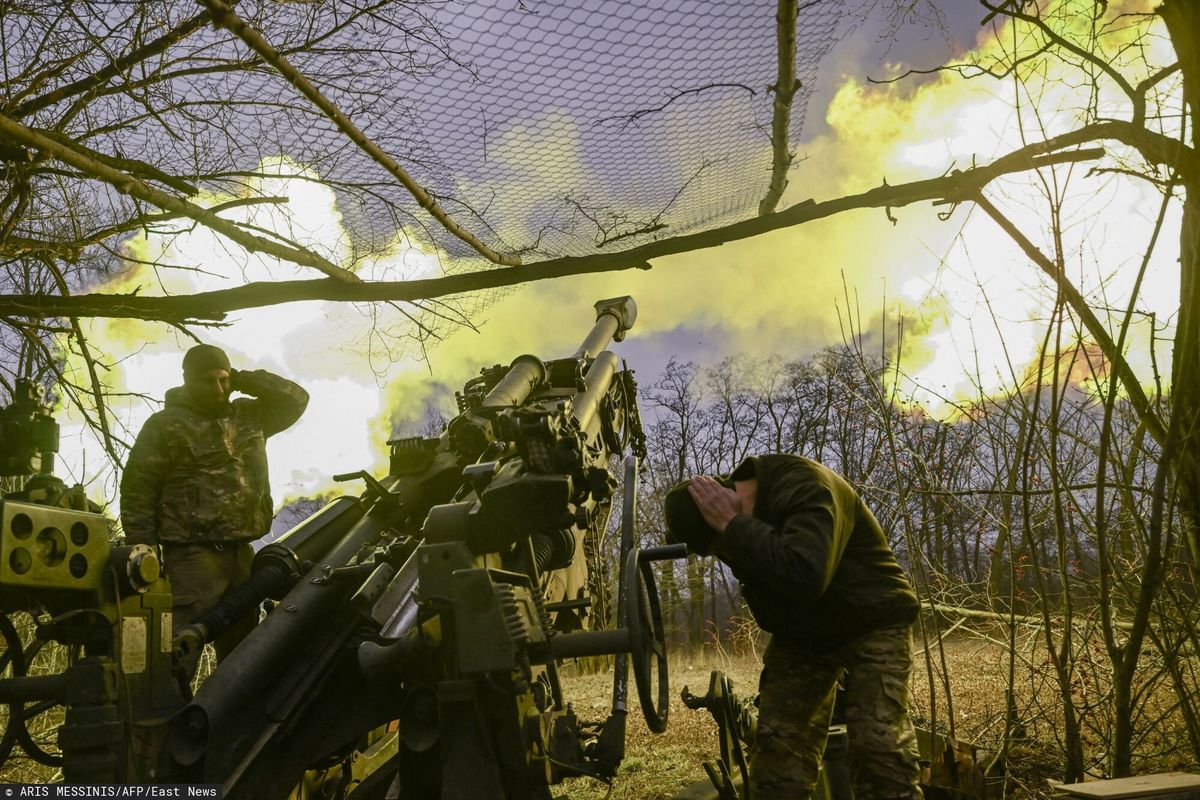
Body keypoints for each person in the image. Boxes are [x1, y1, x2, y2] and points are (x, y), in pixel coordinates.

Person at [665, 453, 923, 800]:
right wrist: (738, 539)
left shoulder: (804, 486)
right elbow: (771, 615)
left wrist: (735, 528)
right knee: (777, 753)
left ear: (728, 506)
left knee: (877, 749)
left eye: (719, 545)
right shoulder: (739, 528)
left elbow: (806, 575)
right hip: (805, 633)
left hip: (872, 616)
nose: (724, 553)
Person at [120, 343, 309, 663]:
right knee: (173, 656)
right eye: (208, 380)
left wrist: (245, 380)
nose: (218, 388)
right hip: (192, 559)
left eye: (224, 380)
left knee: (240, 665)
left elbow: (296, 399)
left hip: (241, 557)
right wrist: (145, 557)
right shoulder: (165, 425)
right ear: (188, 381)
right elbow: (139, 490)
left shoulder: (252, 415)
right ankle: (168, 713)